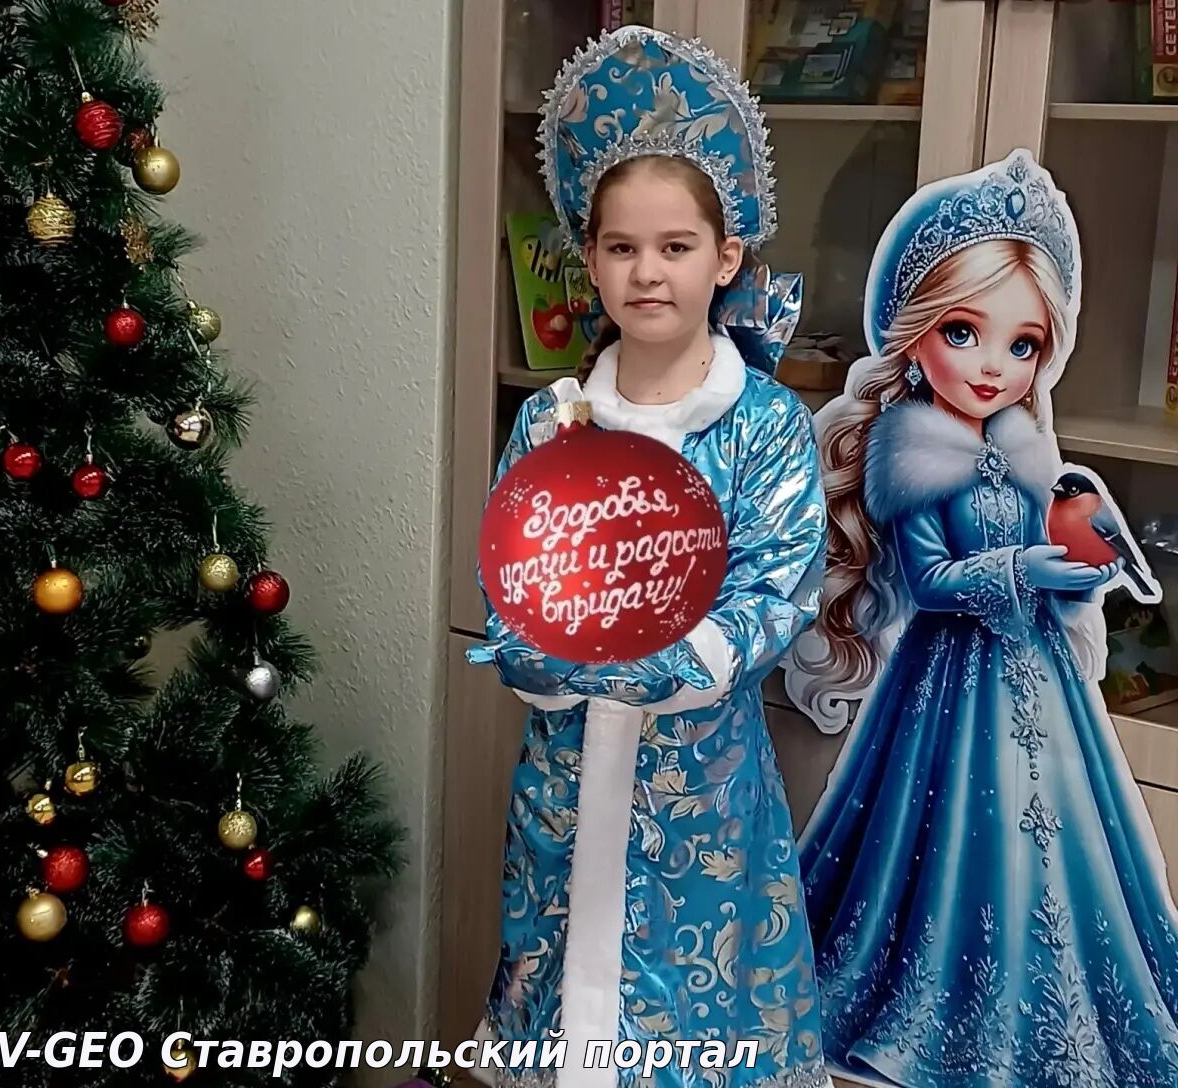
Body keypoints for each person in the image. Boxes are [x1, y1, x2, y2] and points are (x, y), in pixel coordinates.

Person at [466, 26, 833, 1088]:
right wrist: (532, 654)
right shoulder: (550, 422)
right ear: (588, 260)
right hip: (565, 775)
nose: (647, 272)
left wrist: (673, 661)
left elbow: (778, 587)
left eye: (675, 247)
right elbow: (513, 581)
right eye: (622, 248)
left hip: (700, 791)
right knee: (562, 1003)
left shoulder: (762, 424)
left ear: (725, 258)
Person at [783, 148, 1178, 1087]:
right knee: (942, 832)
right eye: (963, 332)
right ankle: (942, 1005)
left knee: (1063, 829)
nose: (994, 366)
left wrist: (1076, 574)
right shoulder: (914, 454)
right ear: (915, 333)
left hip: (1037, 668)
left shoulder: (1024, 450)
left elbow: (1047, 551)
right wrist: (1019, 568)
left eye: (1023, 344)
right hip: (947, 675)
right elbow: (929, 579)